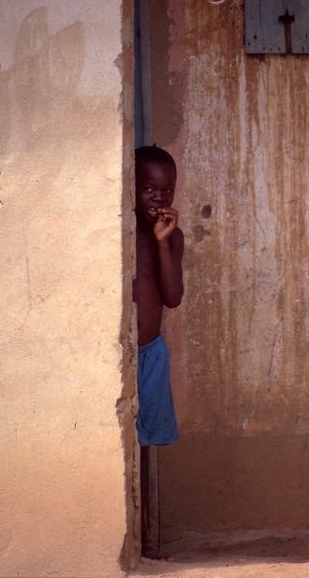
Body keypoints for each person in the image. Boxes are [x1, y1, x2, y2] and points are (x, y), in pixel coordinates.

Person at [133, 145, 184, 561]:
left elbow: (172, 298)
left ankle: (147, 540)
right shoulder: (120, 231)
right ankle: (123, 535)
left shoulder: (170, 236)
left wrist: (163, 244)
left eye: (167, 191)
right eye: (148, 188)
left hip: (151, 354)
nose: (158, 199)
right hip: (119, 359)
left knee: (145, 447)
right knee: (120, 444)